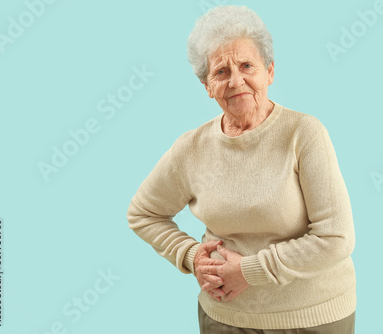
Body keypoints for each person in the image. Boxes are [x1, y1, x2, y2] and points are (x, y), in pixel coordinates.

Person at [127, 5, 356, 333]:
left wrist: (249, 270)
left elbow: (336, 237)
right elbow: (142, 213)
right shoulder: (191, 148)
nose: (236, 81)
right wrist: (192, 256)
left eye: (247, 65)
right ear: (207, 86)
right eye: (221, 72)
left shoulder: (305, 133)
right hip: (224, 318)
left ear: (270, 72)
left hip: (313, 317)